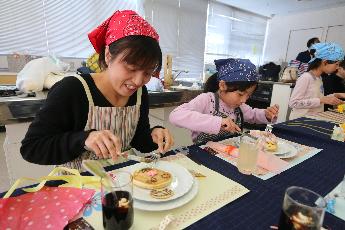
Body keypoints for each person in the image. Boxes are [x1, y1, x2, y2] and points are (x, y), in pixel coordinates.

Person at [20, 10, 174, 171]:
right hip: (78, 186)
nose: (138, 81)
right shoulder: (72, 89)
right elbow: (32, 148)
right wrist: (84, 139)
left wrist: (154, 135)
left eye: (148, 73)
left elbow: (138, 140)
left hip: (123, 181)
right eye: (131, 68)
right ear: (108, 55)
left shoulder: (140, 93)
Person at [169, 58, 279, 144]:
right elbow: (175, 116)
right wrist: (217, 122)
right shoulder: (207, 100)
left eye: (248, 95)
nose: (244, 100)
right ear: (222, 85)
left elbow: (253, 115)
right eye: (240, 94)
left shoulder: (238, 106)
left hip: (228, 151)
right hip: (203, 153)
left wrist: (266, 114)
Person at [289, 42, 345, 120]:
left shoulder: (319, 78)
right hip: (300, 121)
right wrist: (321, 100)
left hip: (313, 119)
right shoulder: (306, 77)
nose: (337, 68)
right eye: (336, 64)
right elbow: (293, 103)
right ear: (325, 62)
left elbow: (317, 98)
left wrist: (337, 95)